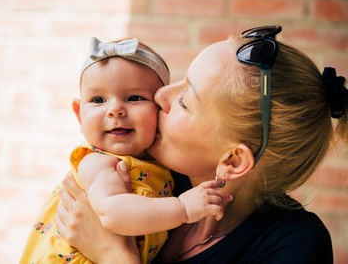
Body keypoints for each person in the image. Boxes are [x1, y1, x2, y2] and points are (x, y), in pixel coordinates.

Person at [55, 26, 346, 263]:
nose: (160, 95)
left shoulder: (294, 246)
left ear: (231, 160)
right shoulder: (154, 180)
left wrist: (114, 256)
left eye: (184, 101)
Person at [20, 37, 231, 264]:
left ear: (159, 108)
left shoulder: (160, 166)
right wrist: (183, 208)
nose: (115, 110)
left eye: (134, 98)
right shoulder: (99, 163)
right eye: (98, 99)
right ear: (79, 115)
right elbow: (112, 212)